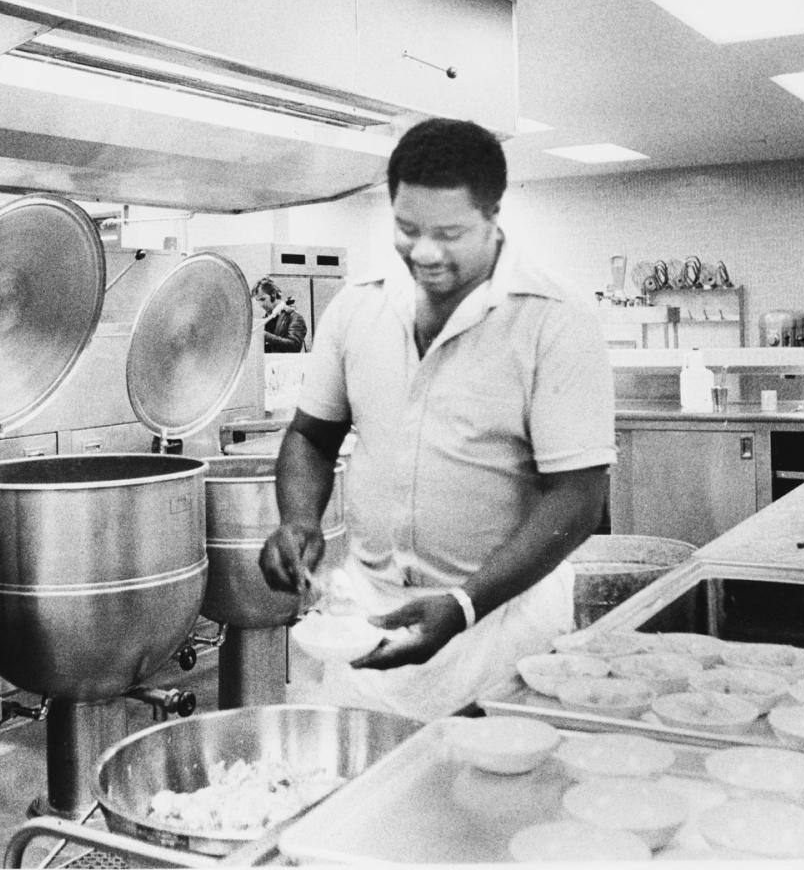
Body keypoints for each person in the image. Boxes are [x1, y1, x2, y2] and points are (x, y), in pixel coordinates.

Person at [258, 117, 616, 720]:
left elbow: (579, 498)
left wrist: (464, 605)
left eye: (449, 232)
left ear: (494, 215)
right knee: (364, 798)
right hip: (368, 626)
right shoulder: (358, 307)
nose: (424, 252)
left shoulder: (555, 322)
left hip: (500, 632)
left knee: (494, 804)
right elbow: (311, 437)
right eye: (407, 228)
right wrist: (299, 521)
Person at [254, 277, 308, 353]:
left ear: (273, 294)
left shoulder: (295, 317)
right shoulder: (265, 319)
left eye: (263, 299)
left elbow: (295, 346)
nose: (261, 305)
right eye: (258, 301)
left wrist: (265, 336)